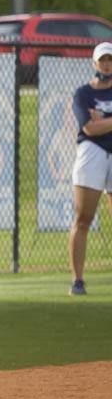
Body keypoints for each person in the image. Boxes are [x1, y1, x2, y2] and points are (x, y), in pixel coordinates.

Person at [67, 41, 112, 296]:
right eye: (102, 59)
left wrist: (103, 120)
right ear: (94, 63)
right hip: (92, 152)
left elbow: (98, 125)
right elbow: (89, 128)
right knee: (84, 218)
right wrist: (101, 124)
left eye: (110, 59)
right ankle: (78, 280)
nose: (106, 64)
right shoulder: (83, 93)